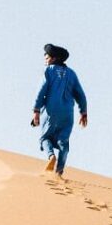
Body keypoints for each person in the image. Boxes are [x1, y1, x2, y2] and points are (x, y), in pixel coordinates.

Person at [31, 43, 88, 177]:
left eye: (47, 55)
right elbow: (81, 94)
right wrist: (83, 112)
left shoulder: (48, 71)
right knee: (63, 142)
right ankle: (59, 172)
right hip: (68, 112)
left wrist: (36, 110)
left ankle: (51, 156)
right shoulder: (71, 74)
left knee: (45, 138)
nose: (45, 57)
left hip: (51, 110)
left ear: (54, 58)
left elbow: (41, 91)